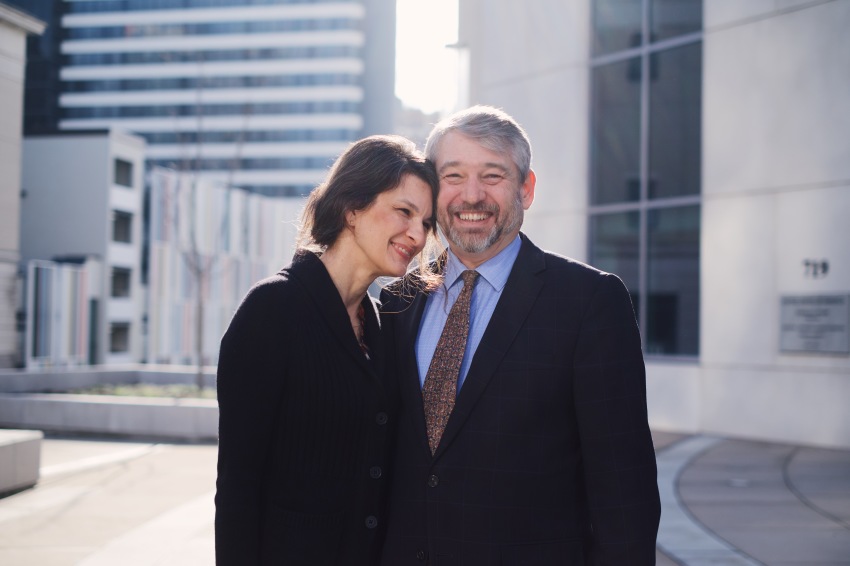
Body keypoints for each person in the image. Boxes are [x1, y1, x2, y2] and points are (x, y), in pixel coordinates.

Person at [379, 106, 661, 565]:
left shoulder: (590, 302)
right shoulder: (396, 302)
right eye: (453, 176)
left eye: (493, 176)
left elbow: (623, 489)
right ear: (432, 189)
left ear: (526, 189)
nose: (472, 196)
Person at [214, 135, 439, 565]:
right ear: (351, 207)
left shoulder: (384, 325)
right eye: (404, 212)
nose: (417, 234)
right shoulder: (271, 311)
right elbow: (238, 487)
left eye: (426, 223)